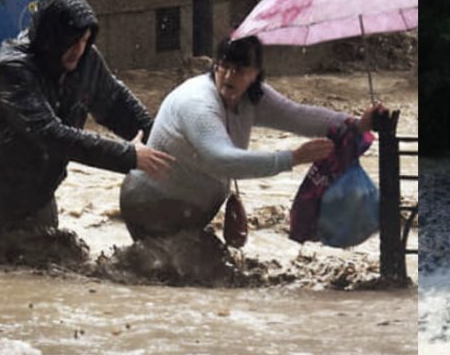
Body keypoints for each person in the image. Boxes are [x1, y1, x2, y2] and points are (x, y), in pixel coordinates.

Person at [0, 0, 174, 246]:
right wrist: (129, 156)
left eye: (85, 41)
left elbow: (118, 105)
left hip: (32, 197)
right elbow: (52, 135)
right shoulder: (13, 68)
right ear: (51, 37)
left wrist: (167, 146)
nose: (79, 50)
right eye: (72, 42)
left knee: (45, 272)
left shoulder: (87, 61)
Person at [119, 35, 382, 241]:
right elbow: (221, 159)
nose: (230, 76)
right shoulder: (197, 103)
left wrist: (357, 124)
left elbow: (299, 115)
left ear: (256, 74)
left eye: (241, 70)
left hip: (191, 210)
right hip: (151, 206)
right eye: (224, 67)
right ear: (215, 65)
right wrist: (292, 158)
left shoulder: (253, 97)